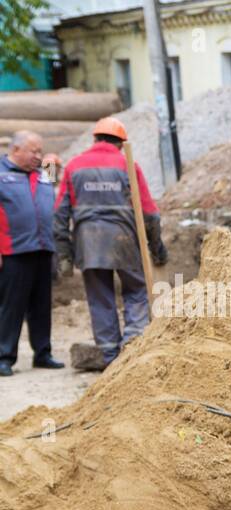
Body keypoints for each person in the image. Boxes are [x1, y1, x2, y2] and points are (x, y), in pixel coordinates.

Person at [53, 117, 167, 371]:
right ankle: (133, 345)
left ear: (94, 139)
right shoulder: (127, 164)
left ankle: (109, 357)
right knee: (136, 290)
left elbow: (59, 214)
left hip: (87, 242)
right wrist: (157, 247)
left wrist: (65, 255)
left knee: (100, 297)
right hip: (123, 239)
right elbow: (150, 213)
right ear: (121, 143)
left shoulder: (74, 165)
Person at [0, 130, 62, 375]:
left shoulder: (42, 173)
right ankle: (4, 357)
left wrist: (55, 163)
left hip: (43, 248)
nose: (39, 156)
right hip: (14, 251)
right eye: (33, 151)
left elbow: (52, 189)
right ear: (16, 151)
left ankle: (43, 353)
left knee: (41, 305)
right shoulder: (2, 174)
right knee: (11, 306)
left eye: (40, 150)